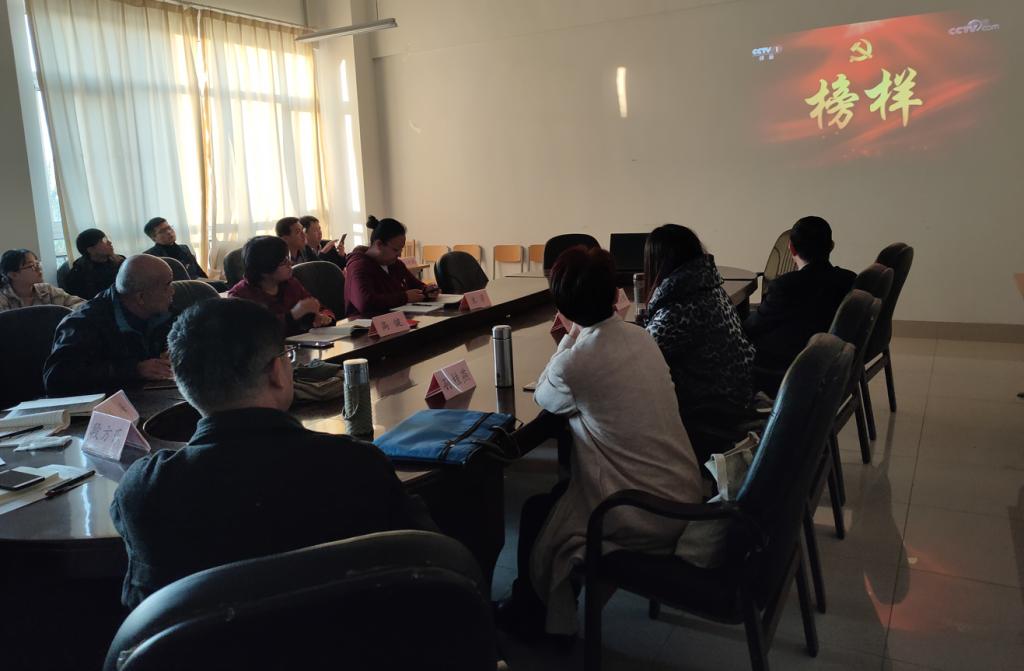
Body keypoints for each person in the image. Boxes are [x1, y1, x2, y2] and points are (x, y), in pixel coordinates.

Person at [110, 298, 434, 608]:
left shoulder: (145, 491)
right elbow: (430, 563)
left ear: (182, 384)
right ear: (277, 371)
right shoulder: (357, 465)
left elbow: (145, 615)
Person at [501, 246, 702, 637]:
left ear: (562, 306)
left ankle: (531, 618)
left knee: (537, 511)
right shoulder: (641, 337)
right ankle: (544, 607)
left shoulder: (575, 363)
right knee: (557, 497)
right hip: (683, 492)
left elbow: (544, 395)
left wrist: (568, 337)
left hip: (642, 511)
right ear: (614, 293)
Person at [641, 224, 756, 459]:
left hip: (710, 407)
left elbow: (639, 358)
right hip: (737, 393)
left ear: (658, 263)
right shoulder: (710, 287)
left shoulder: (679, 307)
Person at [744, 216, 856, 383]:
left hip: (786, 368)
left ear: (791, 248)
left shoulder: (784, 286)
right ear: (831, 246)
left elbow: (753, 327)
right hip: (831, 364)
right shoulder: (849, 280)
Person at [44, 255, 175, 395]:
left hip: (155, 394)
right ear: (140, 297)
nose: (173, 291)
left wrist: (177, 353)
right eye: (167, 285)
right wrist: (134, 370)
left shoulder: (164, 309)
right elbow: (56, 378)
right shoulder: (84, 322)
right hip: (112, 403)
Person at [227, 235, 334, 335]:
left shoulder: (290, 283)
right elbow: (257, 332)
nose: (290, 264)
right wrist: (293, 315)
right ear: (265, 269)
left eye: (288, 258)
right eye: (283, 262)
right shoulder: (240, 296)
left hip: (300, 345)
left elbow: (319, 308)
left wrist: (324, 317)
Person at [344, 215, 438, 318]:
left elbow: (416, 285)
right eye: (395, 250)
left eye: (401, 249)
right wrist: (405, 297)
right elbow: (365, 302)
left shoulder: (396, 264)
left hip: (397, 320)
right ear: (379, 244)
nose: (400, 254)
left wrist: (427, 291)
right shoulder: (358, 266)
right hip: (365, 324)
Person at [0, 249, 84, 311]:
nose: (39, 268)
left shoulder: (46, 289)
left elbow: (79, 304)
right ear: (13, 275)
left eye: (37, 264)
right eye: (31, 266)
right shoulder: (3, 298)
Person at [63, 228, 125, 299]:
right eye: (103, 241)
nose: (109, 243)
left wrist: (121, 264)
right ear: (91, 250)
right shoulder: (78, 275)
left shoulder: (120, 261)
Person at [141, 217, 208, 280]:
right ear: (153, 238)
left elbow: (199, 273)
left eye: (169, 228)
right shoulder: (149, 257)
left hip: (196, 285)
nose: (169, 232)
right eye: (162, 231)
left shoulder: (184, 248)